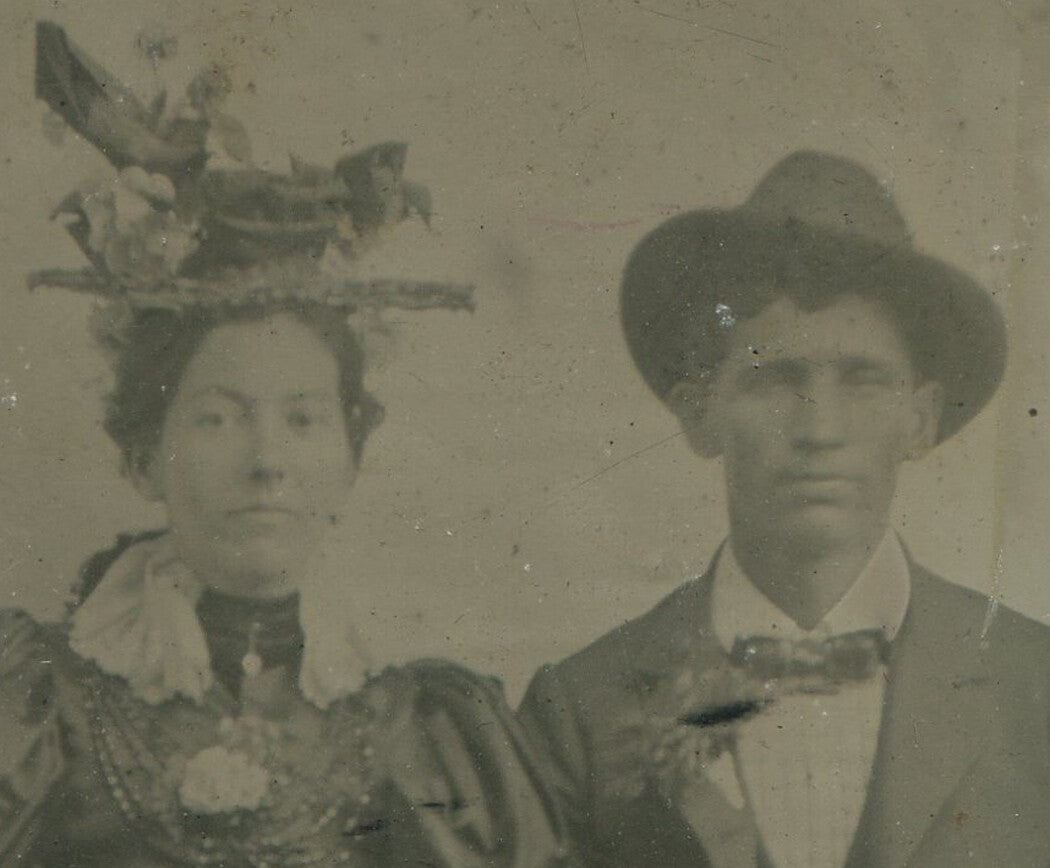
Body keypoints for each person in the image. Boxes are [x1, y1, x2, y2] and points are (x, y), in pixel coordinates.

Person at [0, 23, 571, 868]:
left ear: (350, 458)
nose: (266, 460)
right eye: (219, 417)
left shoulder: (435, 726)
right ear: (142, 454)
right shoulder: (40, 715)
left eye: (303, 418)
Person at [518, 150, 1050, 867]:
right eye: (775, 381)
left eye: (862, 381)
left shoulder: (1032, 686)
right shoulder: (581, 710)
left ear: (921, 419)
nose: (819, 431)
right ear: (701, 411)